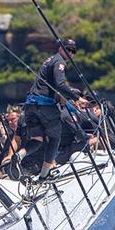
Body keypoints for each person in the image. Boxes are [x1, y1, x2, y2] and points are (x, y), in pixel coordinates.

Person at [23, 39, 87, 180]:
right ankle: (45, 175)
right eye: (68, 49)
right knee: (55, 138)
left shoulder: (48, 60)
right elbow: (60, 84)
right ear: (60, 49)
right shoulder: (60, 62)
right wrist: (77, 98)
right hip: (44, 105)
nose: (71, 53)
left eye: (73, 50)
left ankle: (19, 155)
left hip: (30, 105)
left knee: (37, 139)